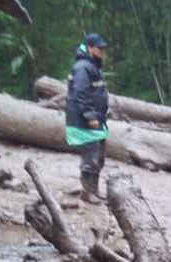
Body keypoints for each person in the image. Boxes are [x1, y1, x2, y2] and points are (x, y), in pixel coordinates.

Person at [65, 33, 109, 204]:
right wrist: (90, 116)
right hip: (85, 119)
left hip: (97, 118)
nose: (102, 51)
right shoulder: (83, 67)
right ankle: (87, 192)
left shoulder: (93, 65)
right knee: (90, 156)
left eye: (103, 48)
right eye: (99, 48)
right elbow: (80, 93)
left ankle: (94, 190)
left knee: (99, 156)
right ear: (90, 48)